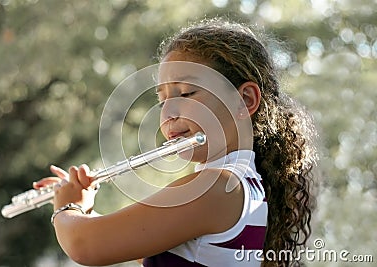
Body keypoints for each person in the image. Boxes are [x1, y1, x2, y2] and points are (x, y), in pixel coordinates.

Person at [34, 18, 317, 267]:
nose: (168, 113)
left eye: (185, 94)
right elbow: (150, 241)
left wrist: (67, 208)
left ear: (245, 100)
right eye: (162, 100)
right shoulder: (242, 184)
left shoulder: (216, 187)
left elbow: (86, 246)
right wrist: (84, 209)